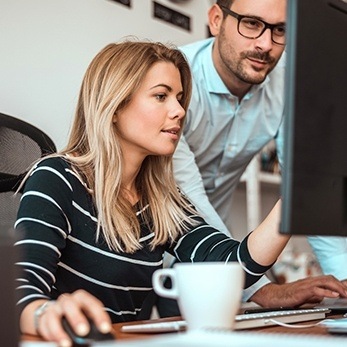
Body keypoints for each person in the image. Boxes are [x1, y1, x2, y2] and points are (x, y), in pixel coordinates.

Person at [14, 39, 293, 346]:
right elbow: (21, 294)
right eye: (161, 96)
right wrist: (45, 313)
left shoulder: (161, 202)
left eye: (179, 98)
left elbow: (232, 265)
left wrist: (297, 196)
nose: (178, 111)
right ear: (115, 105)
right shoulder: (57, 177)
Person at [167, 0, 347, 310]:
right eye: (251, 23)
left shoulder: (288, 81)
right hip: (148, 240)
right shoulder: (176, 80)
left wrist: (343, 282)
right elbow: (187, 196)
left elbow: (306, 184)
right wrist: (259, 288)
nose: (265, 44)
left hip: (216, 251)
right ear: (216, 19)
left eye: (280, 30)